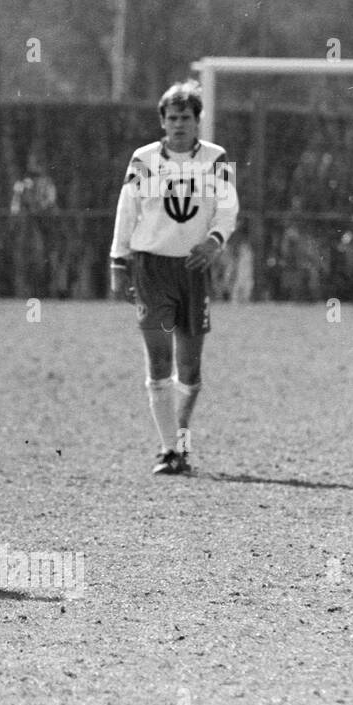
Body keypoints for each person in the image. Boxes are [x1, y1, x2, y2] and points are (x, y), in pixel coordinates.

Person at [110, 80, 239, 475]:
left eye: (186, 117)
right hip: (151, 268)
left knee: (191, 367)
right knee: (159, 360)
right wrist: (119, 260)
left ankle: (179, 434)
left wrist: (215, 240)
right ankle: (170, 450)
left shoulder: (217, 159)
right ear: (162, 122)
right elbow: (127, 209)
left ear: (198, 121)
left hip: (193, 270)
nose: (178, 124)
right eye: (172, 118)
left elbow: (228, 209)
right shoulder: (145, 159)